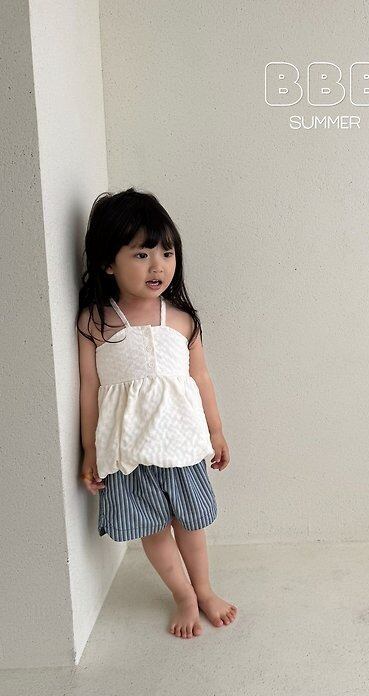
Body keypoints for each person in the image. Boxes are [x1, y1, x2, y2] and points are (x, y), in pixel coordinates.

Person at [76, 187, 237, 639]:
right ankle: (182, 594)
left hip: (181, 444)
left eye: (166, 253)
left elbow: (201, 378)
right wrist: (90, 450)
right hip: (129, 450)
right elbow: (89, 389)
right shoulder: (95, 323)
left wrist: (216, 431)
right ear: (108, 263)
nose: (158, 266)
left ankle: (204, 590)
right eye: (142, 254)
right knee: (154, 528)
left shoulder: (181, 320)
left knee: (190, 522)